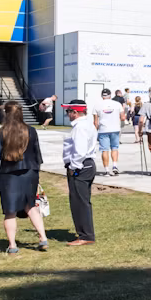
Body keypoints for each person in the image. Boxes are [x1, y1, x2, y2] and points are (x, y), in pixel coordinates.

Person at [0, 102, 48, 254]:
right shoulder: (31, 131)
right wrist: (37, 175)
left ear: (6, 114)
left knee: (10, 211)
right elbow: (38, 156)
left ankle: (13, 245)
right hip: (30, 172)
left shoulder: (2, 132)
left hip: (9, 174)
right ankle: (43, 238)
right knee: (31, 206)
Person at [61, 99, 97, 245]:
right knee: (82, 201)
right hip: (86, 165)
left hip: (80, 166)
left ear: (75, 112)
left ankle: (85, 236)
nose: (67, 114)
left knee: (79, 202)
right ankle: (85, 234)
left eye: (68, 111)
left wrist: (73, 167)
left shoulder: (80, 127)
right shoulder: (86, 124)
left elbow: (80, 150)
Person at [93, 88, 124, 176]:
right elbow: (123, 118)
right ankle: (114, 166)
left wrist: (95, 132)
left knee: (104, 150)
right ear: (110, 95)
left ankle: (106, 170)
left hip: (103, 130)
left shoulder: (97, 105)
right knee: (114, 148)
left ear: (102, 96)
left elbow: (95, 122)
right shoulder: (117, 104)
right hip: (115, 129)